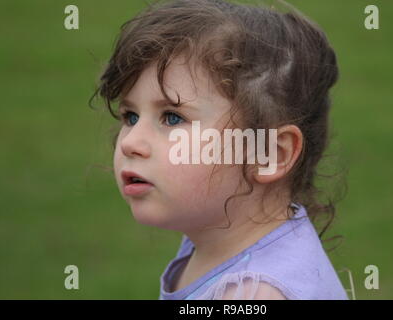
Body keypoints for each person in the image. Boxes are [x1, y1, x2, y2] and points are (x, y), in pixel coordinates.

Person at [91, 0, 348, 300]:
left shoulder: (255, 295)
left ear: (268, 154)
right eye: (130, 117)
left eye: (173, 118)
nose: (130, 142)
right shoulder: (218, 239)